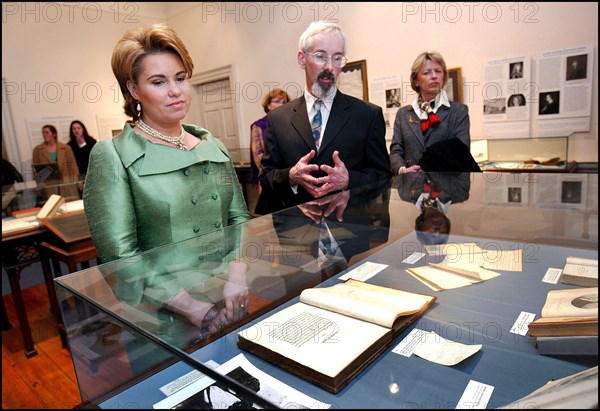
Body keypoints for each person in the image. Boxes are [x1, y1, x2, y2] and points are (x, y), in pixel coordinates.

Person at [82, 23, 252, 366]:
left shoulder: (211, 144)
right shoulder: (112, 155)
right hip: (163, 318)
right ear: (133, 90)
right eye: (158, 82)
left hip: (228, 300)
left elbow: (240, 218)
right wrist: (192, 308)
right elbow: (120, 254)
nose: (176, 91)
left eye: (180, 77)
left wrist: (237, 275)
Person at [255, 21, 391, 215]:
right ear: (302, 59)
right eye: (320, 56)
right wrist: (291, 176)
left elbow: (383, 176)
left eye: (337, 58)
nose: (329, 66)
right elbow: (267, 178)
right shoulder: (278, 119)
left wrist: (349, 180)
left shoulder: (367, 115)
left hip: (350, 230)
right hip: (297, 234)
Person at [389, 51, 479, 174]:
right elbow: (396, 150)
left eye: (438, 71)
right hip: (412, 187)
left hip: (446, 187)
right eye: (426, 73)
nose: (434, 76)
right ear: (416, 81)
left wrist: (426, 166)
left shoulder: (458, 111)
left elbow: (461, 152)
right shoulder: (403, 114)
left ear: (444, 77)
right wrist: (402, 169)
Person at [396, 172, 471, 246]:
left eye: (431, 234)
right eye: (442, 234)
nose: (437, 231)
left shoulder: (405, 193)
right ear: (446, 227)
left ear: (421, 226)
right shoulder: (460, 193)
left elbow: (396, 162)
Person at [250, 88, 291, 194]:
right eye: (277, 101)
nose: (281, 105)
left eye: (285, 102)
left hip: (291, 176)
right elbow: (258, 155)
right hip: (269, 177)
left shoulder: (292, 124)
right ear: (268, 105)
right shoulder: (258, 126)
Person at [32, 124, 80, 199]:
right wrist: (38, 186)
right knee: (53, 206)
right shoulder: (38, 150)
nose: (44, 135)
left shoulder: (66, 148)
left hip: (66, 184)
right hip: (49, 185)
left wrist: (78, 183)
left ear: (54, 134)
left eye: (47, 132)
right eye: (43, 133)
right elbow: (35, 170)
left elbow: (73, 166)